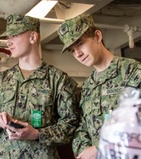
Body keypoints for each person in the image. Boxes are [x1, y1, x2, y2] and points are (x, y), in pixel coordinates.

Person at [0, 14, 79, 159]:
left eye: (14, 36)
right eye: (8, 37)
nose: (9, 42)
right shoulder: (0, 81)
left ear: (33, 37)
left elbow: (71, 126)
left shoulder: (58, 80)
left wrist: (37, 134)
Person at [57, 14, 141, 159]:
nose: (78, 54)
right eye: (72, 50)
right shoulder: (88, 86)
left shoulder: (131, 71)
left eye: (80, 44)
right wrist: (84, 152)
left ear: (97, 36)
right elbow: (82, 127)